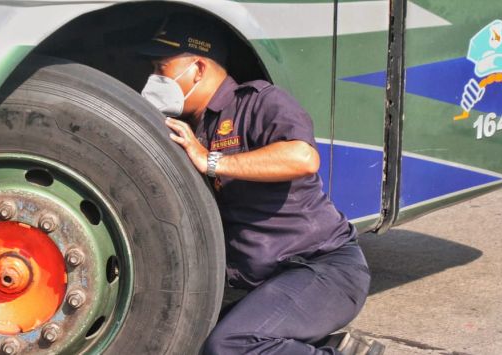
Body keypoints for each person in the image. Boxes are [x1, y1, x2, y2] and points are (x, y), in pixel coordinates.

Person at [139, 13, 373, 355]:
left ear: (199, 69)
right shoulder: (190, 127)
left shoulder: (260, 103)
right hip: (268, 282)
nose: (154, 79)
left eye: (162, 69)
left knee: (230, 346)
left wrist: (213, 161)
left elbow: (302, 158)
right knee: (184, 337)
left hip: (323, 268)